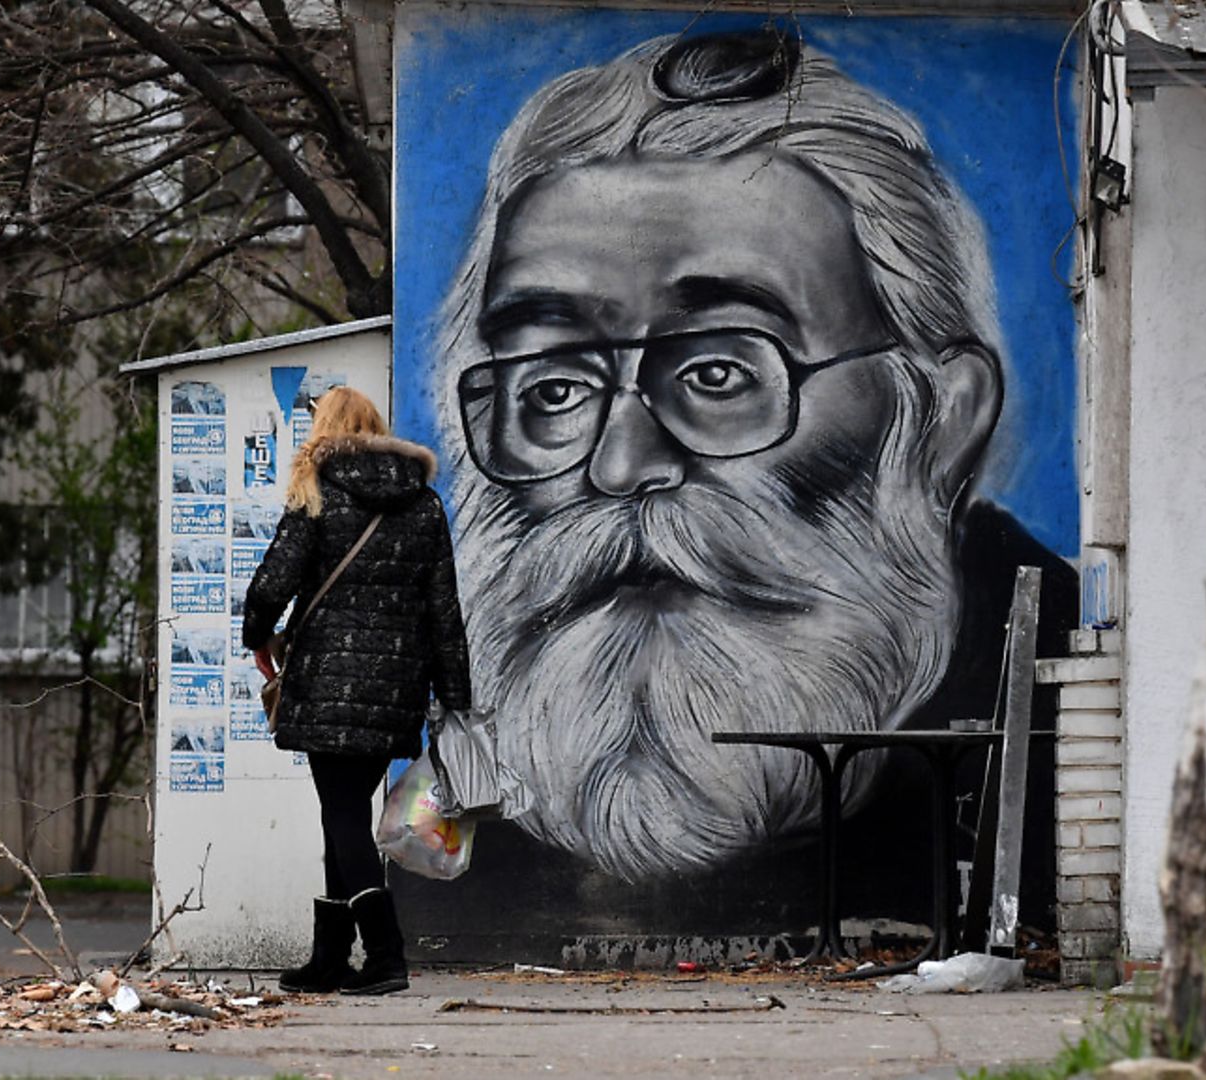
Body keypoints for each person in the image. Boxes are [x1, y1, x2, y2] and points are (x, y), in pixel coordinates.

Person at [429, 28, 1075, 887]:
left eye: (719, 371)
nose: (623, 467)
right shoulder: (462, 825)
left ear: (941, 419)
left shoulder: (1093, 724)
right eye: (553, 389)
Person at [242, 387, 472, 995]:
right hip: (396, 685)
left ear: (326, 429)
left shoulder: (317, 491)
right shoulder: (424, 505)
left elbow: (274, 583)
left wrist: (257, 637)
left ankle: (386, 954)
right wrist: (455, 696)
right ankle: (330, 956)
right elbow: (443, 610)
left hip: (326, 683)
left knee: (342, 812)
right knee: (341, 813)